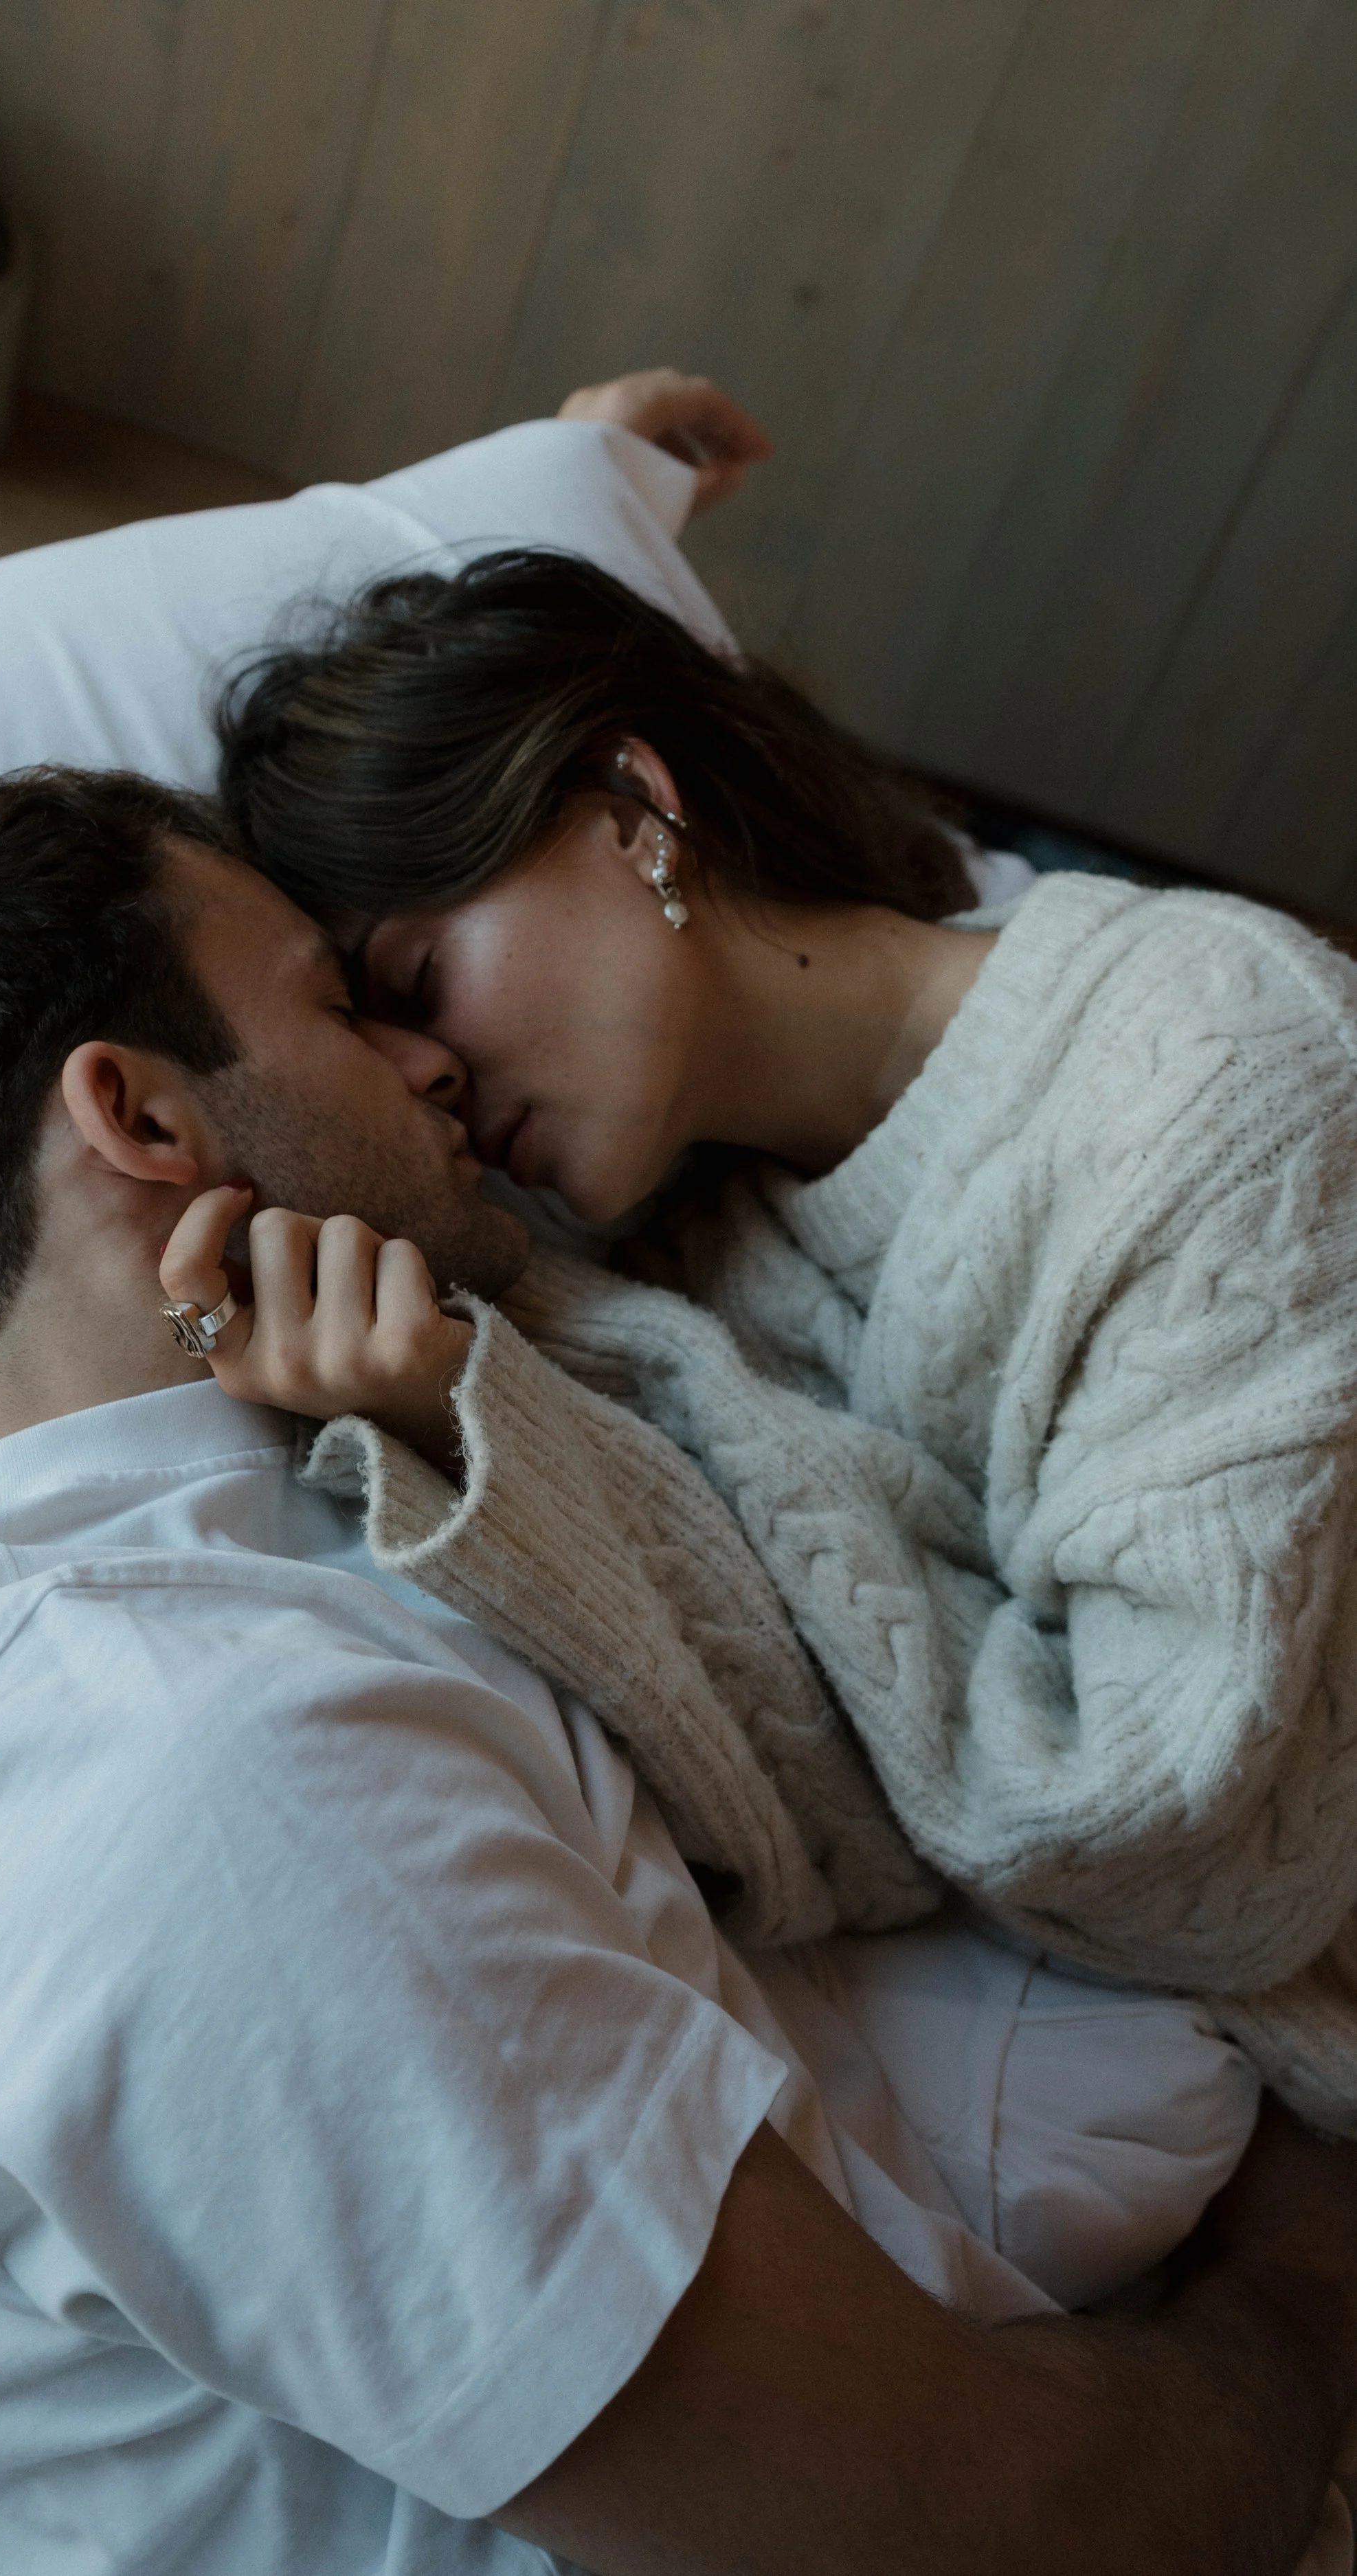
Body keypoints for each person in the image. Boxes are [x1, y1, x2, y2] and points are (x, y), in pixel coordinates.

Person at [0, 762, 1357, 2576]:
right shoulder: (201, 1772)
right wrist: (1299, 2275)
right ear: (136, 1112)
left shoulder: (17, 1629)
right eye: (335, 1001)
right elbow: (987, 2522)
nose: (430, 1061)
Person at [210, 539, 1357, 2138]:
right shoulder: (692, 1259)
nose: (432, 1081)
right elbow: (835, 1804)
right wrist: (465, 1399)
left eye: (423, 976)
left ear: (628, 810)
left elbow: (1166, 1843)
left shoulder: (1214, 1073)